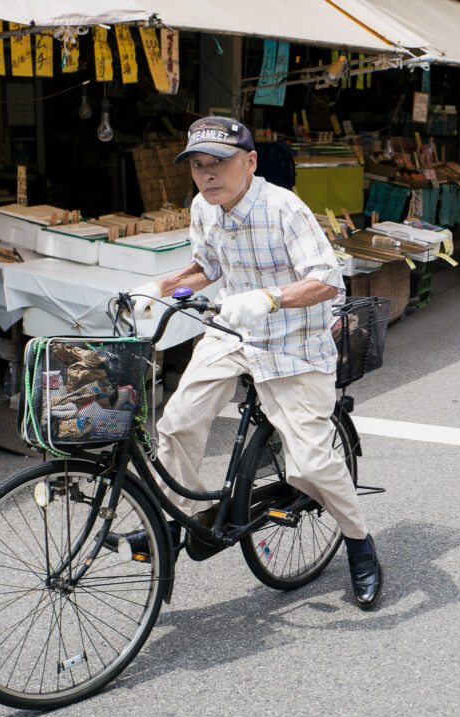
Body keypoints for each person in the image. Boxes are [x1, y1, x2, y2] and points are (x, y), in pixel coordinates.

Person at [128, 117, 383, 609]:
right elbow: (208, 266)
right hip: (234, 333)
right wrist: (157, 287)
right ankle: (183, 524)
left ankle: (359, 541)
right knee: (176, 423)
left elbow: (328, 280)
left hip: (294, 340)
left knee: (309, 465)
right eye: (198, 166)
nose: (207, 175)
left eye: (218, 163)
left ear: (249, 162)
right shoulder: (204, 208)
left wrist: (269, 298)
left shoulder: (284, 208)